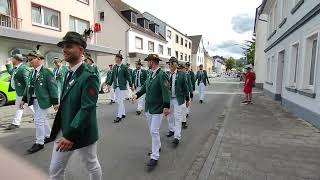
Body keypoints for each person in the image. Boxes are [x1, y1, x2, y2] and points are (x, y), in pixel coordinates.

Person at [48, 31, 102, 180]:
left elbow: (87, 108)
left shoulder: (89, 75)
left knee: (91, 164)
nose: (65, 49)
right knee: (55, 171)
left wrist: (70, 135)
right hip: (65, 128)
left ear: (81, 50)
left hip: (81, 131)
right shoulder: (68, 73)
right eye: (63, 46)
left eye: (69, 46)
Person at [132, 54, 170, 170]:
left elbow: (166, 91)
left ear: (153, 62)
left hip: (158, 108)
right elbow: (144, 87)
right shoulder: (149, 73)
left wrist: (166, 106)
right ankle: (157, 146)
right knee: (152, 130)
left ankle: (155, 157)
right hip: (149, 107)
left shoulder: (162, 75)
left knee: (154, 131)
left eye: (148, 61)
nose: (147, 63)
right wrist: (136, 95)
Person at [20, 50, 59, 154]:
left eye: (31, 60)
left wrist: (55, 102)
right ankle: (49, 135)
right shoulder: (32, 72)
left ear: (39, 59)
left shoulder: (46, 72)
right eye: (28, 60)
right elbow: (28, 88)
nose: (30, 62)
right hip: (34, 101)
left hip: (43, 101)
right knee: (43, 119)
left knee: (38, 121)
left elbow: (53, 87)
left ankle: (39, 143)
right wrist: (23, 100)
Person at [5, 54, 34, 130]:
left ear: (16, 59)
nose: (11, 60)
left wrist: (26, 94)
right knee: (19, 107)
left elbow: (28, 82)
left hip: (24, 92)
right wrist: (8, 64)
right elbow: (11, 72)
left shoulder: (23, 68)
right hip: (19, 91)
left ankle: (39, 118)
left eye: (12, 58)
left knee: (31, 106)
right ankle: (16, 123)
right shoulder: (16, 68)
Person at [165, 58, 190, 145]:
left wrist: (187, 99)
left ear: (176, 64)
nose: (170, 65)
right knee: (169, 116)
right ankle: (171, 130)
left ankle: (177, 136)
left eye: (172, 63)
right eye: (169, 64)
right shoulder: (166, 74)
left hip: (178, 99)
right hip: (169, 98)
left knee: (177, 117)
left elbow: (186, 88)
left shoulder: (182, 75)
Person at [107, 51, 133, 123]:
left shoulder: (124, 67)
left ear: (119, 59)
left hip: (122, 87)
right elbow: (112, 77)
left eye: (116, 58)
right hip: (116, 86)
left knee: (120, 101)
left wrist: (131, 85)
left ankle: (119, 116)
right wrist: (109, 84)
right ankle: (123, 113)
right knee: (119, 101)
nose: (115, 59)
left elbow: (128, 76)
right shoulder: (115, 67)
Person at [180, 63, 193, 129]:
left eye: (183, 68)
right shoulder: (177, 75)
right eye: (181, 68)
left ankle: (184, 122)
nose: (182, 70)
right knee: (181, 108)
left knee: (184, 107)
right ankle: (181, 121)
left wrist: (191, 93)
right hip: (179, 94)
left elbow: (189, 84)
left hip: (185, 93)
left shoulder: (187, 75)